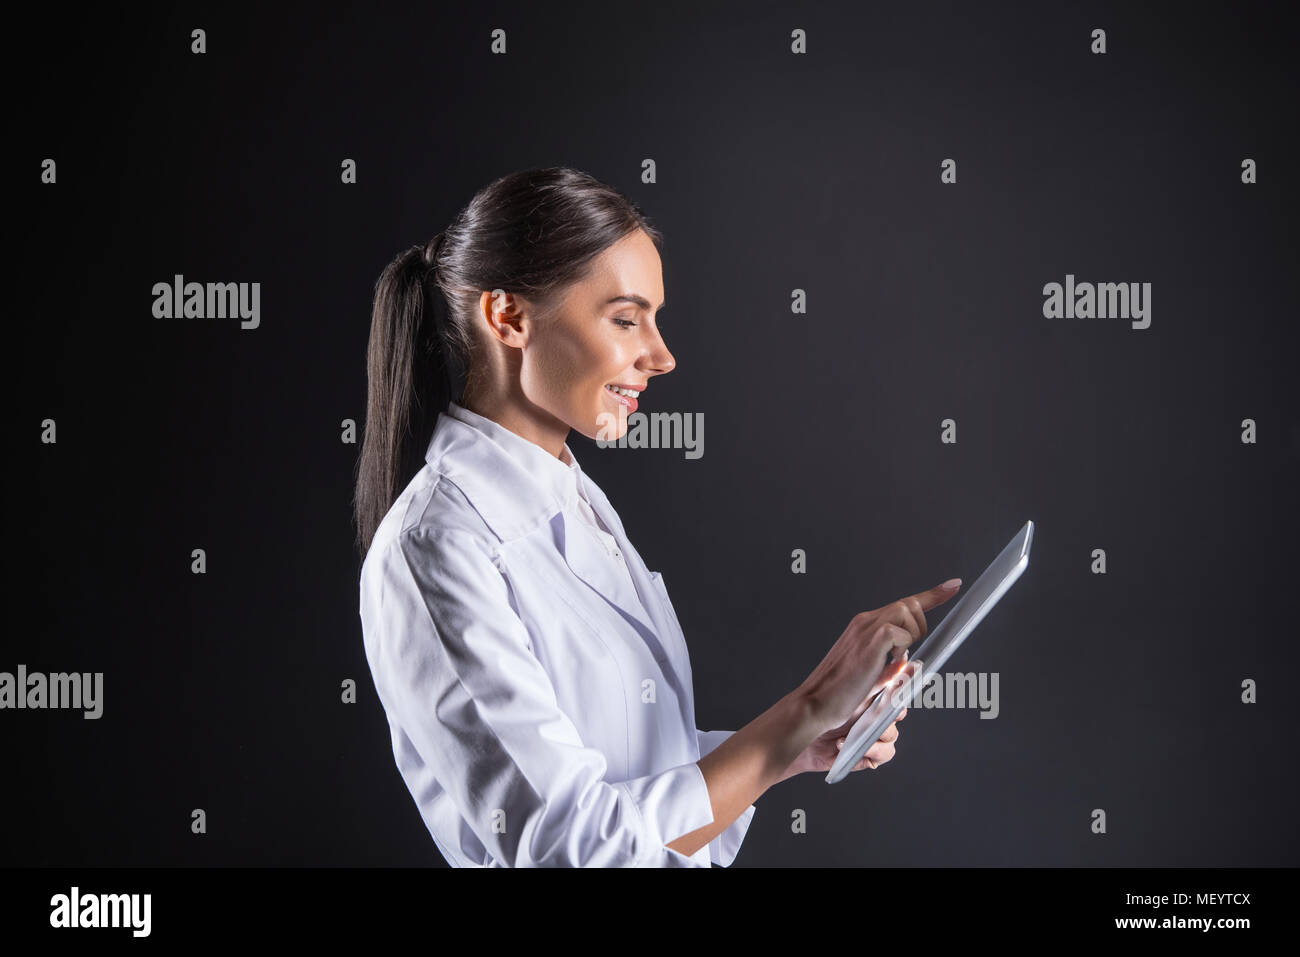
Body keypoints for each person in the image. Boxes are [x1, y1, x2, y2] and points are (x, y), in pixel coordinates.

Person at [353, 166, 961, 867]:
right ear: (509, 317)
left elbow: (631, 766)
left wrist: (797, 743)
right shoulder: (435, 545)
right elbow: (572, 847)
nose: (662, 355)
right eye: (624, 317)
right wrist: (803, 712)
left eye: (655, 317)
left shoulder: (571, 496)